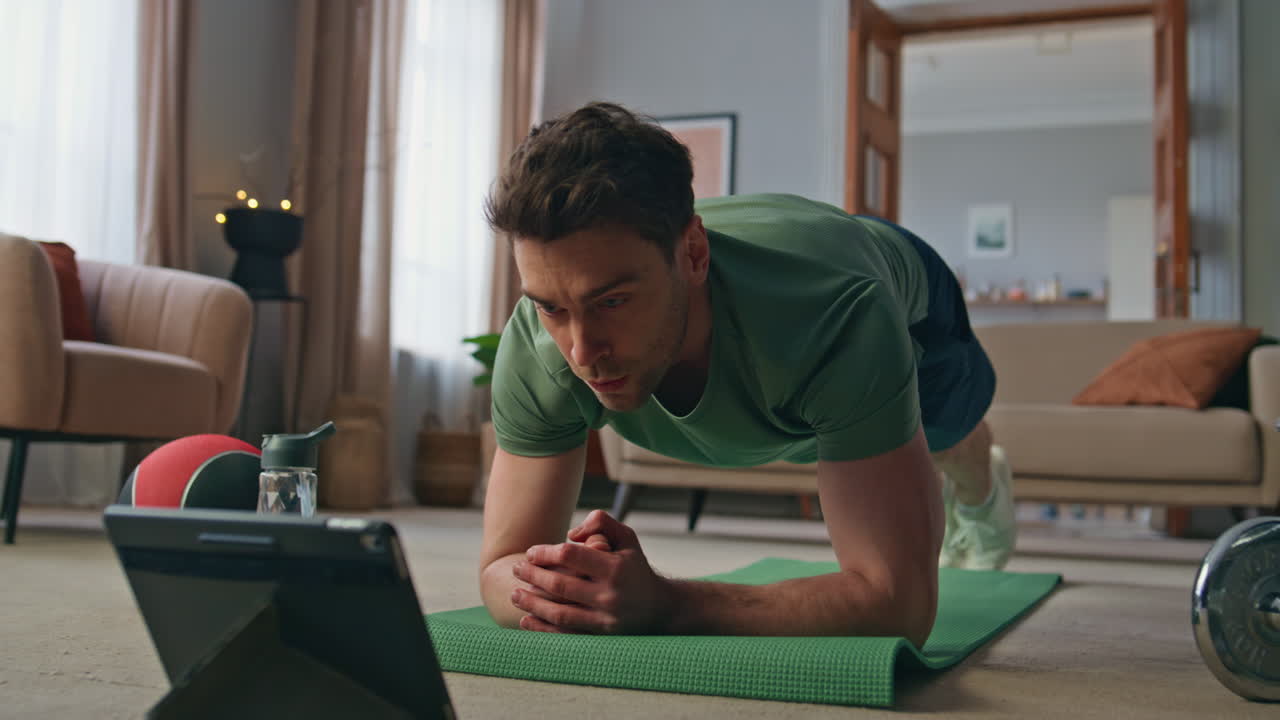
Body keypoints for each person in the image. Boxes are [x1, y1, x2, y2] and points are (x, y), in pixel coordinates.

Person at [477, 102, 1015, 643]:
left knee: (945, 434)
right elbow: (501, 566)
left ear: (692, 254)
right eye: (551, 308)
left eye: (613, 302)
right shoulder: (537, 343)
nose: (582, 351)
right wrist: (566, 585)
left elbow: (899, 608)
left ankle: (981, 489)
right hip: (786, 316)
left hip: (893, 282)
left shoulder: (839, 315)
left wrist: (664, 604)